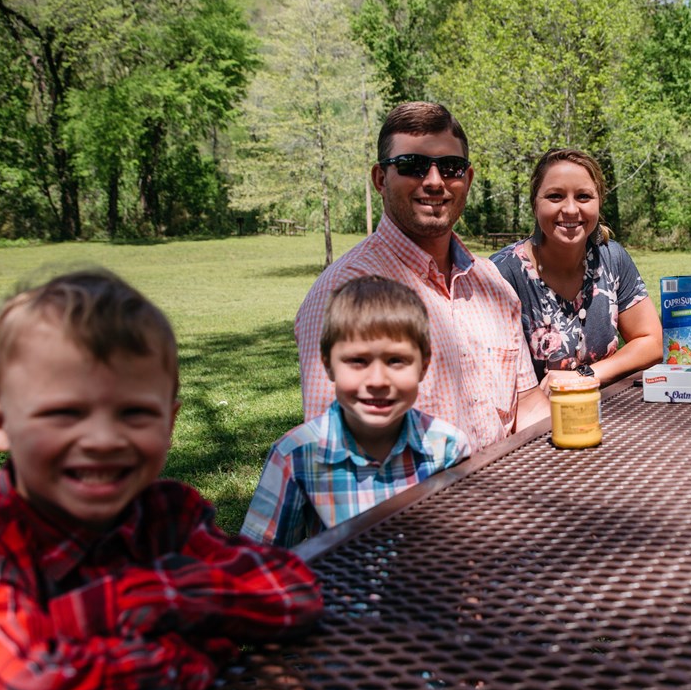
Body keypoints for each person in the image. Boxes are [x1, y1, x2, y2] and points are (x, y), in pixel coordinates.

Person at [0, 270, 323, 690]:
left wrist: (150, 597)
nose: (102, 439)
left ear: (169, 421)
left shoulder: (166, 518)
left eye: (134, 413)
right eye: (64, 412)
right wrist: (195, 656)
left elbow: (293, 590)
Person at [295, 102, 546, 453]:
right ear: (381, 179)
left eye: (450, 167)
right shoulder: (341, 294)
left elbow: (528, 404)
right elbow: (330, 454)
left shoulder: (492, 284)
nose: (434, 181)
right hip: (413, 505)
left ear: (468, 179)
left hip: (507, 496)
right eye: (412, 166)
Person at [243, 277, 469, 548]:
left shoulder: (448, 448)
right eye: (357, 361)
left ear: (423, 366)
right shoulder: (296, 456)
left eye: (396, 361)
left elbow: (462, 547)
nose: (377, 381)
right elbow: (259, 563)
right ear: (328, 365)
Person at [491, 148, 662, 389]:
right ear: (534, 204)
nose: (571, 209)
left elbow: (651, 341)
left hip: (603, 411)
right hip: (532, 421)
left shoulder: (611, 258)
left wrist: (586, 375)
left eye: (583, 197)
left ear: (599, 203)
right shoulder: (501, 274)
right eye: (555, 196)